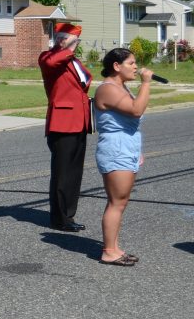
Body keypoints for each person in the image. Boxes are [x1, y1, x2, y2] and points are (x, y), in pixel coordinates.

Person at [93, 48, 152, 266]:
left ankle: (115, 248)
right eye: (131, 63)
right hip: (116, 149)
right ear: (116, 66)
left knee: (121, 201)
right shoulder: (108, 89)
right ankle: (109, 251)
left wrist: (136, 151)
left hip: (127, 147)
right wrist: (146, 83)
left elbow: (129, 120)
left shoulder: (121, 87)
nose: (136, 67)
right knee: (116, 202)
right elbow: (136, 110)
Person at [39, 22, 92, 232]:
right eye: (71, 40)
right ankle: (60, 218)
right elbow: (52, 64)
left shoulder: (73, 61)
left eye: (73, 41)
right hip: (61, 123)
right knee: (62, 174)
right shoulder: (47, 56)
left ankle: (69, 215)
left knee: (74, 173)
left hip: (80, 122)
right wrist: (67, 48)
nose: (73, 45)